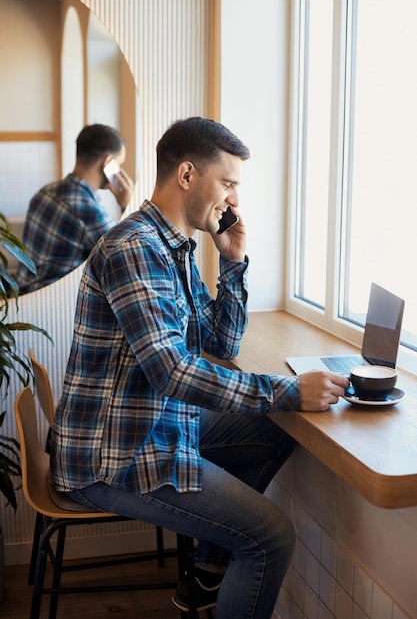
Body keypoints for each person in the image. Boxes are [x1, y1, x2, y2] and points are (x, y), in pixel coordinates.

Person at [50, 117, 348, 619]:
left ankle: (203, 578)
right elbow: (174, 373)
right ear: (187, 174)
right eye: (228, 183)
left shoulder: (177, 246)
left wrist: (232, 261)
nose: (233, 200)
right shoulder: (134, 248)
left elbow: (223, 341)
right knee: (270, 537)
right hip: (115, 455)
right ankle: (215, 571)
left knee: (274, 430)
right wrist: (290, 390)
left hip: (154, 424)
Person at [15, 123, 134, 294]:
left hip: (23, 297)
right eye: (118, 164)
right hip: (51, 306)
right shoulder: (88, 210)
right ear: (107, 163)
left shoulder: (44, 192)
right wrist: (127, 204)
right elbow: (127, 260)